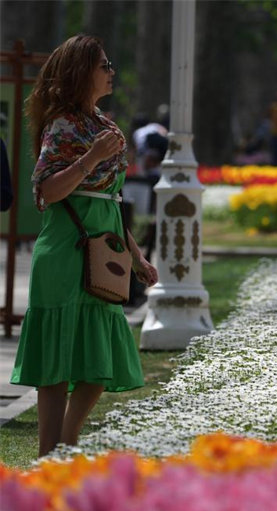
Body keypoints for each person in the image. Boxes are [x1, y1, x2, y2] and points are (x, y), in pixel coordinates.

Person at [10, 35, 158, 457]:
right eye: (104, 65)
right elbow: (48, 193)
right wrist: (89, 159)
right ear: (81, 72)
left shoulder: (104, 124)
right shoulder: (63, 125)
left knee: (99, 362)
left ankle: (68, 441)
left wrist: (136, 256)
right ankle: (48, 454)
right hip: (64, 252)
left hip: (104, 251)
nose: (111, 71)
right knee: (55, 364)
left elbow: (110, 200)